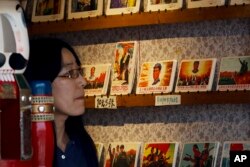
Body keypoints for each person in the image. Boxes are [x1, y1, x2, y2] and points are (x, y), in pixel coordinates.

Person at [24, 38, 98, 167]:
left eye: (79, 72)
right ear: (41, 82)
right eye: (69, 73)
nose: (83, 82)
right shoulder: (22, 151)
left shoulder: (82, 144)